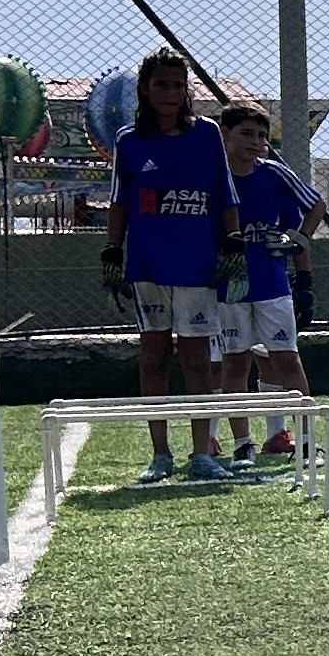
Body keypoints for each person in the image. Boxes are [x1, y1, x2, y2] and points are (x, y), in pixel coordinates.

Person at [103, 50, 238, 484]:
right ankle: (160, 453)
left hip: (197, 266)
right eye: (162, 84)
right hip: (148, 266)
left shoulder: (208, 135)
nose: (171, 93)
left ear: (188, 91)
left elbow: (225, 195)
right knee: (154, 354)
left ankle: (202, 452)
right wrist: (111, 251)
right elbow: (120, 202)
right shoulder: (129, 141)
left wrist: (232, 245)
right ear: (145, 88)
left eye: (179, 85)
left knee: (197, 358)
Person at [206, 101, 316, 472]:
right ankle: (241, 444)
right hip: (227, 289)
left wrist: (298, 245)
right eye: (247, 134)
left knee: (286, 358)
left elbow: (315, 206)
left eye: (262, 136)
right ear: (225, 134)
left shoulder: (274, 175)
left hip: (272, 286)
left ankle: (305, 440)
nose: (256, 142)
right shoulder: (213, 179)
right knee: (234, 363)